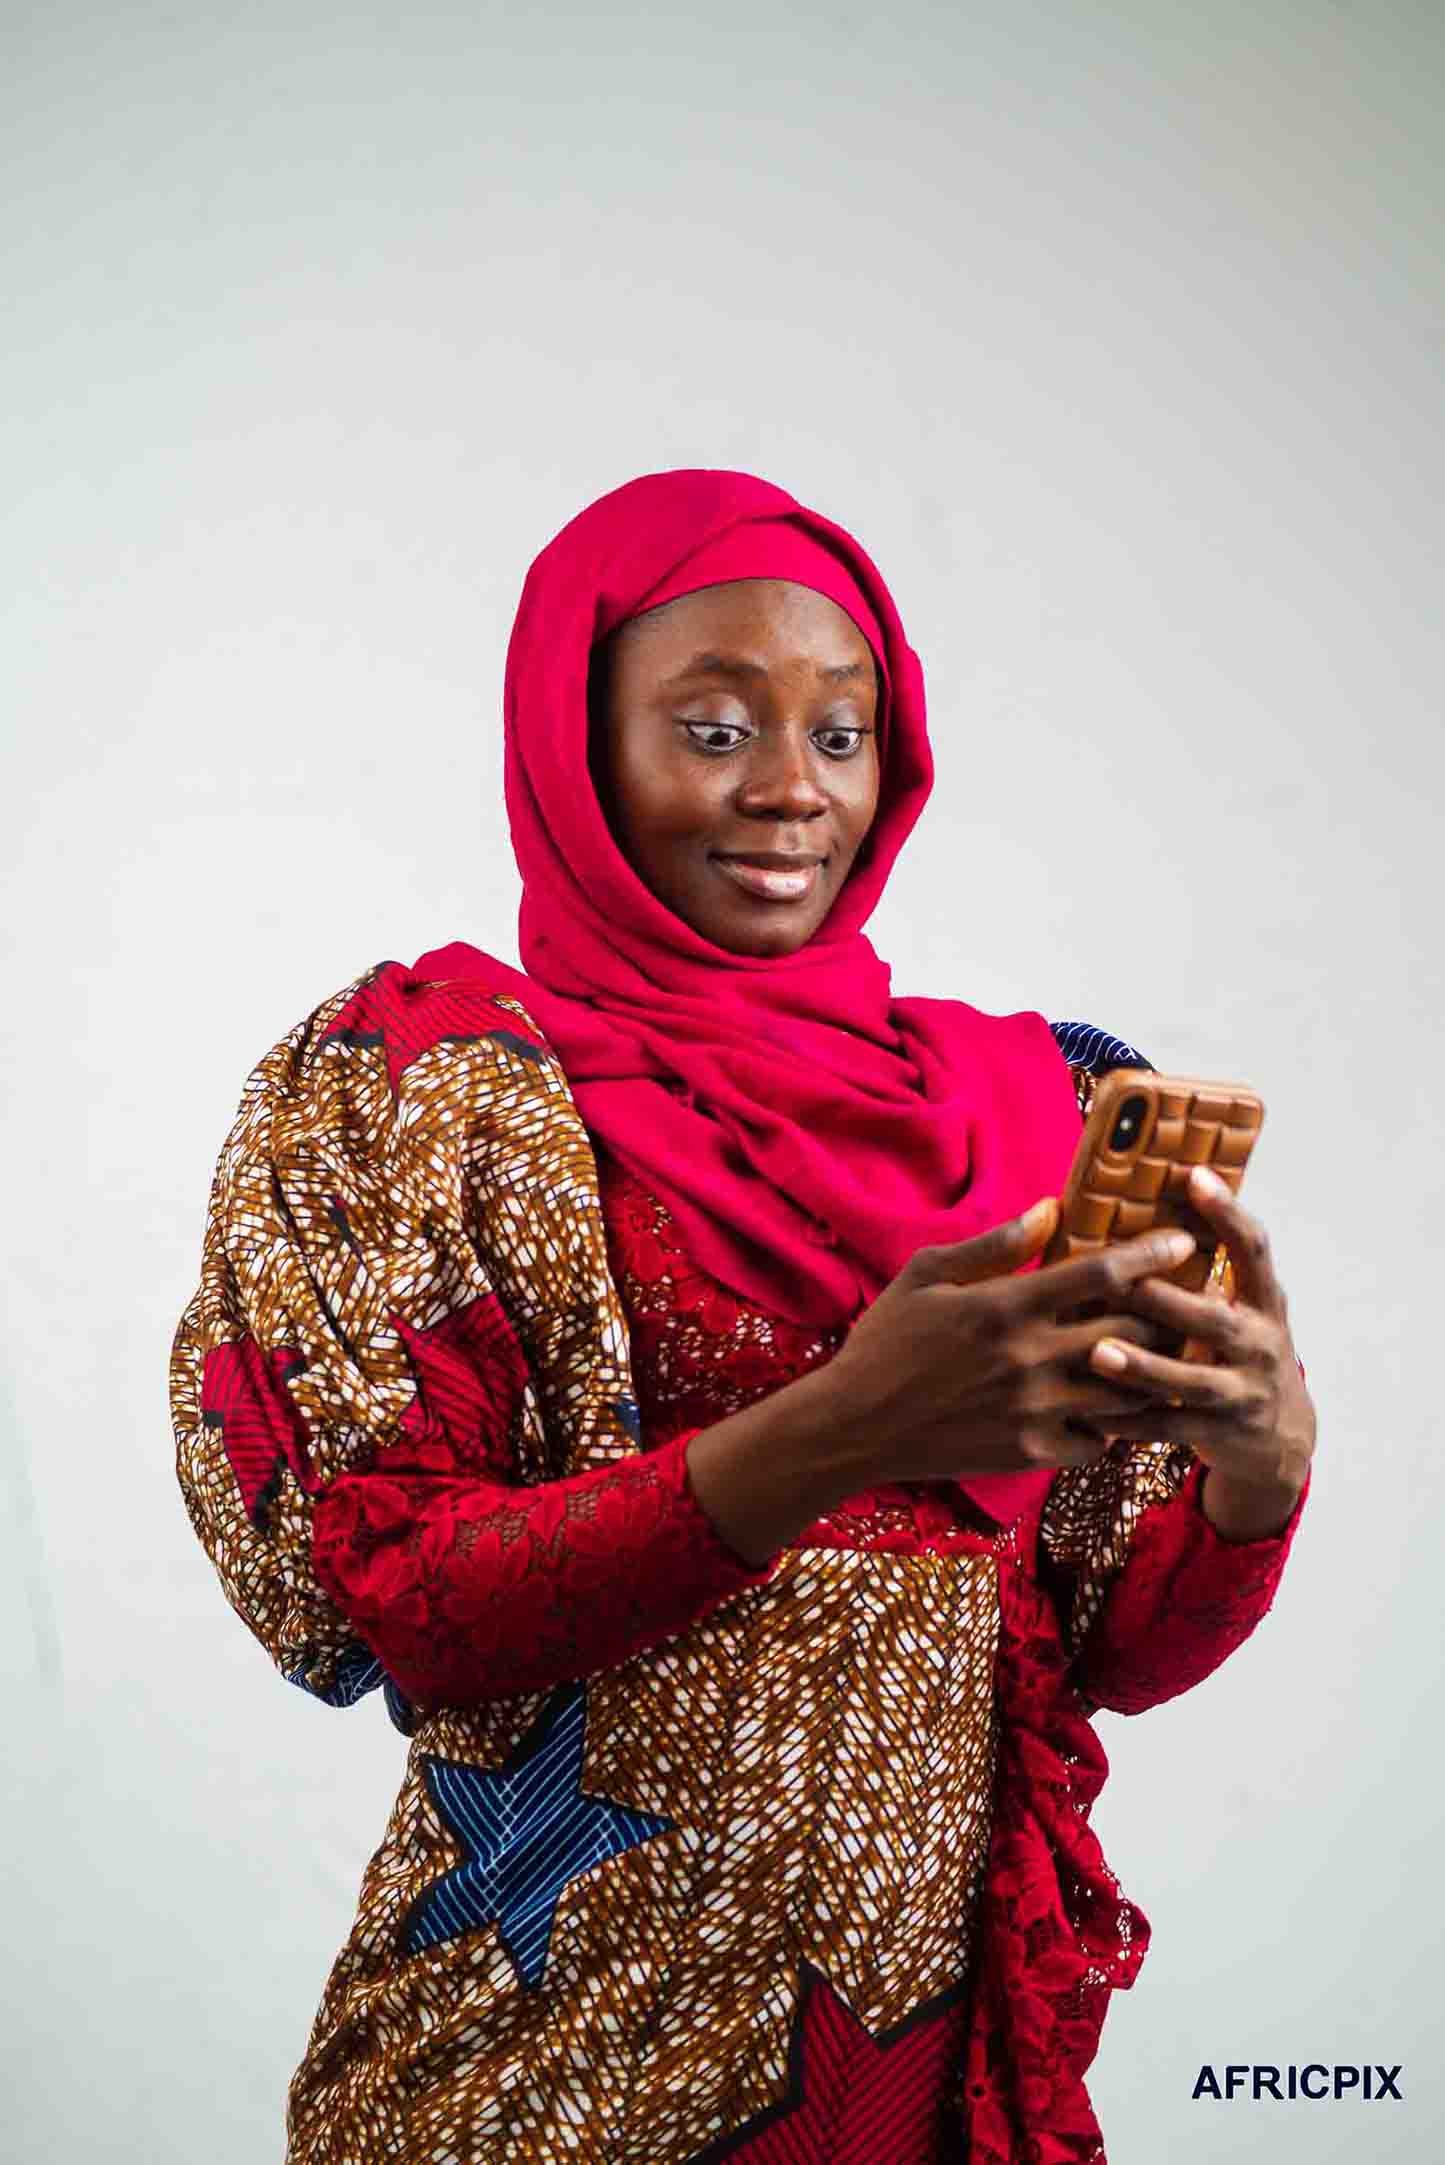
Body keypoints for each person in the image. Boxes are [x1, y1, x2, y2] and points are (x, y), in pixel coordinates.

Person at [170, 467, 1315, 2164]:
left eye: (839, 736)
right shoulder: (423, 1087)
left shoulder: (1032, 1104)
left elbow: (1105, 1649)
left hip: (918, 2076)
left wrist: (1256, 1470)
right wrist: (847, 1423)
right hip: (544, 2064)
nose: (790, 791)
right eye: (713, 730)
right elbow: (380, 1601)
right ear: (576, 749)